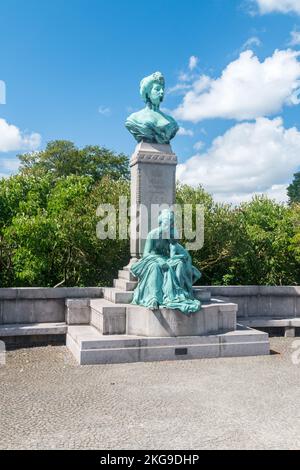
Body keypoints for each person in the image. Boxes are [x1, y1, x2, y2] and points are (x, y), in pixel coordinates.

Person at [130, 210, 201, 315]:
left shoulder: (171, 236)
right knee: (155, 267)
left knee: (180, 263)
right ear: (160, 223)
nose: (169, 227)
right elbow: (145, 254)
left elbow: (178, 250)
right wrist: (158, 259)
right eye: (166, 224)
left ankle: (179, 292)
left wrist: (184, 257)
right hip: (152, 259)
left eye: (171, 224)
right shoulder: (152, 234)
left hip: (167, 260)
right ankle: (153, 298)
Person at [125, 72, 179, 145]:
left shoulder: (172, 121)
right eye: (157, 89)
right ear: (147, 93)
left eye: (162, 89)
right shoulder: (134, 119)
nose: (162, 92)